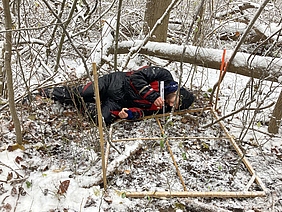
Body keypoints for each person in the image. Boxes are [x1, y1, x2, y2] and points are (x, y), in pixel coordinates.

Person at [41, 66, 195, 125]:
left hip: (119, 102)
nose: (170, 105)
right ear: (177, 94)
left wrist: (129, 114)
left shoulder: (162, 108)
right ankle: (47, 93)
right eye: (174, 103)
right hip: (116, 82)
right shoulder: (164, 76)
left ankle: (81, 104)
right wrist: (152, 95)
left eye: (174, 107)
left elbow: (143, 112)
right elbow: (136, 77)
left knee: (102, 120)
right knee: (83, 91)